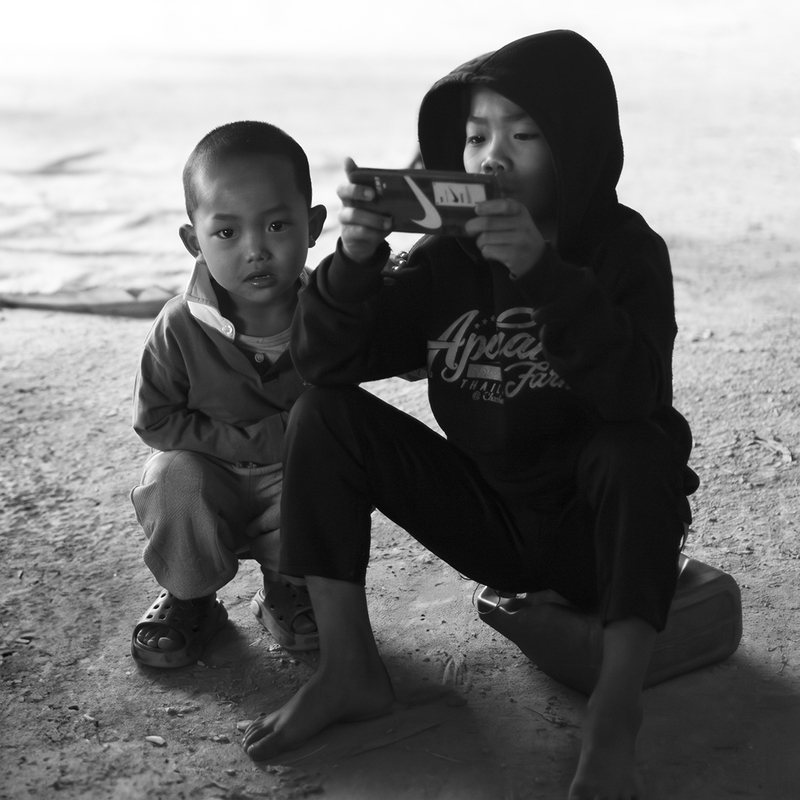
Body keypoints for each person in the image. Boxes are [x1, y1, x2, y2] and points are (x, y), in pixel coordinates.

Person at [243, 31, 698, 799]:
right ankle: (349, 669)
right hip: (494, 518)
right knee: (324, 413)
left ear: (577, 146)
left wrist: (542, 274)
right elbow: (323, 363)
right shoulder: (447, 260)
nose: (492, 157)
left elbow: (634, 395)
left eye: (523, 135)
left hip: (603, 530)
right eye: (476, 136)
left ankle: (615, 710)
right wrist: (353, 263)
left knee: (636, 446)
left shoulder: (625, 251)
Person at [130, 120, 327, 668]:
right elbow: (155, 420)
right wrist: (251, 441)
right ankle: (190, 597)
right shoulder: (179, 324)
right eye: (226, 233)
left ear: (313, 227)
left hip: (289, 473)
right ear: (193, 241)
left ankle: (287, 586)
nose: (256, 250)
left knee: (325, 476)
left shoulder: (327, 314)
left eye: (277, 225)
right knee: (170, 476)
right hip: (208, 470)